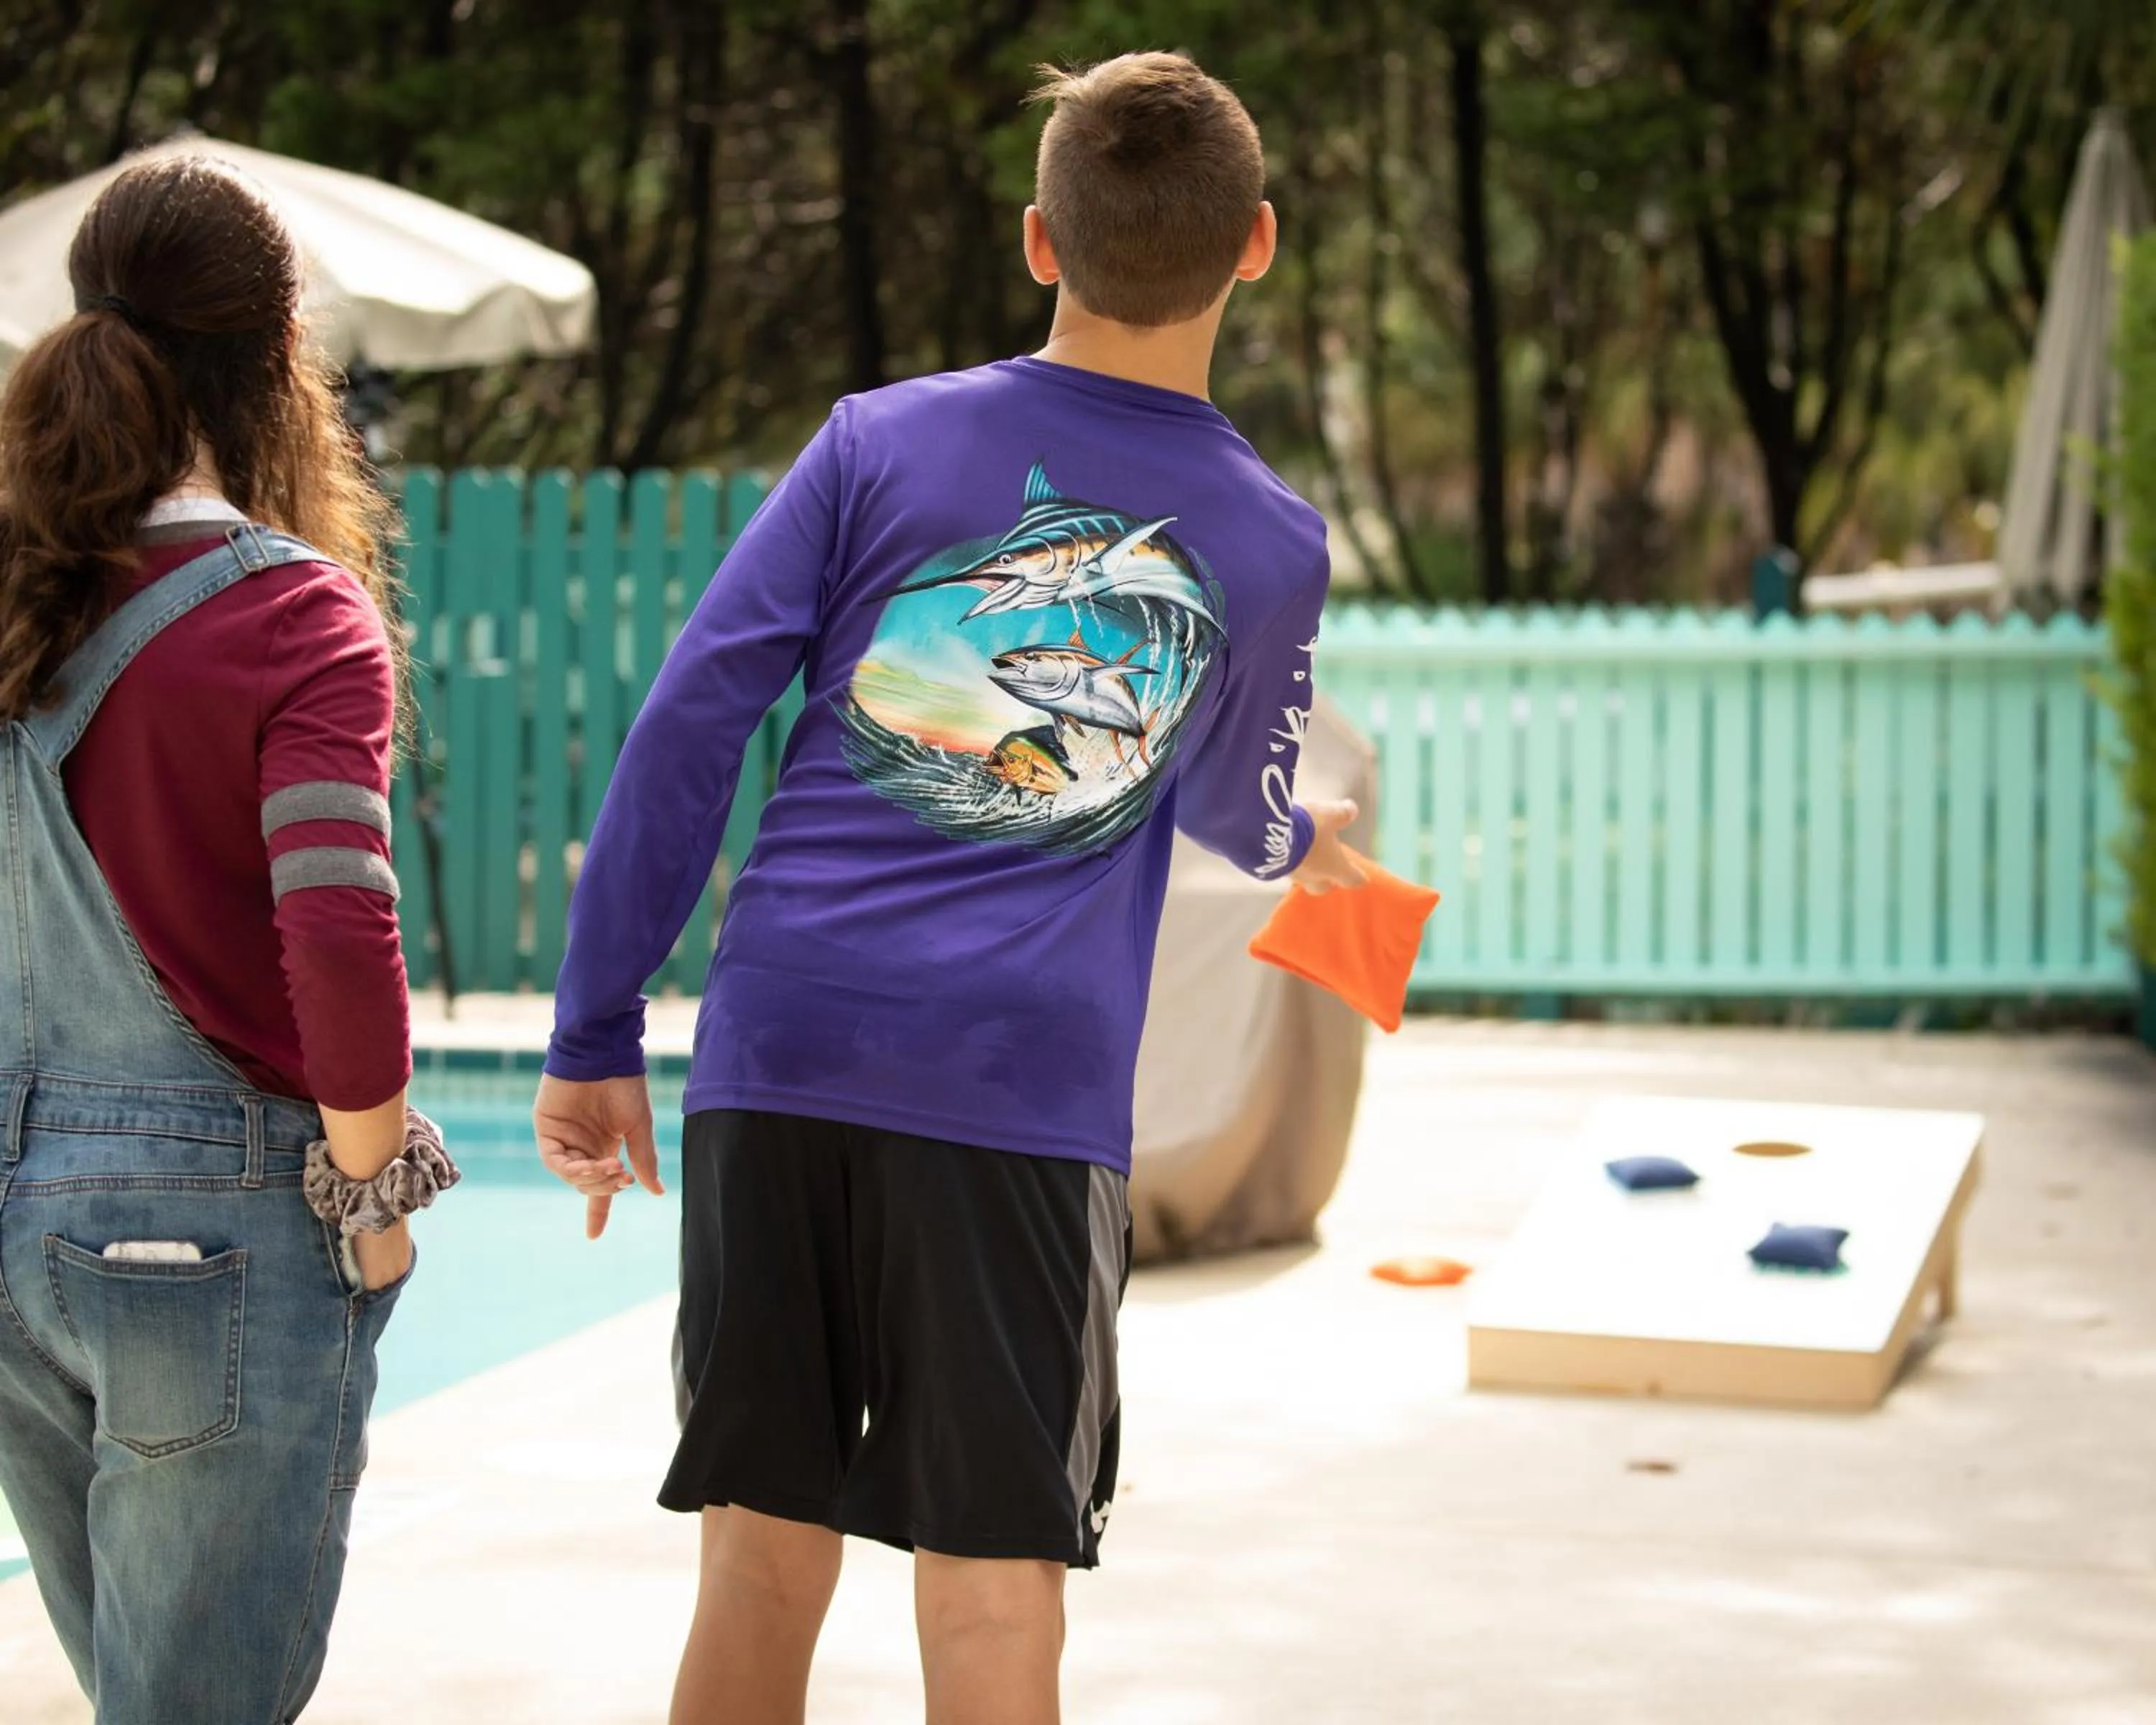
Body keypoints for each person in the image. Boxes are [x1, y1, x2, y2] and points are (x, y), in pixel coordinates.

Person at [534, 52, 1361, 1725]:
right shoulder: (1268, 541)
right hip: (1019, 1094)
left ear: (1039, 241)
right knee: (992, 1612)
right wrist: (1317, 853)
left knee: (760, 1566)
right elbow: (1228, 808)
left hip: (785, 1049)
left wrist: (593, 1027)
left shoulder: (876, 445)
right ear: (1256, 244)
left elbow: (693, 718)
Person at [0, 155, 453, 1724]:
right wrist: (377, 1190)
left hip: (12, 1226)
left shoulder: (18, 597)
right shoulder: (292, 615)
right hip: (215, 1237)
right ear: (278, 361)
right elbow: (338, 927)